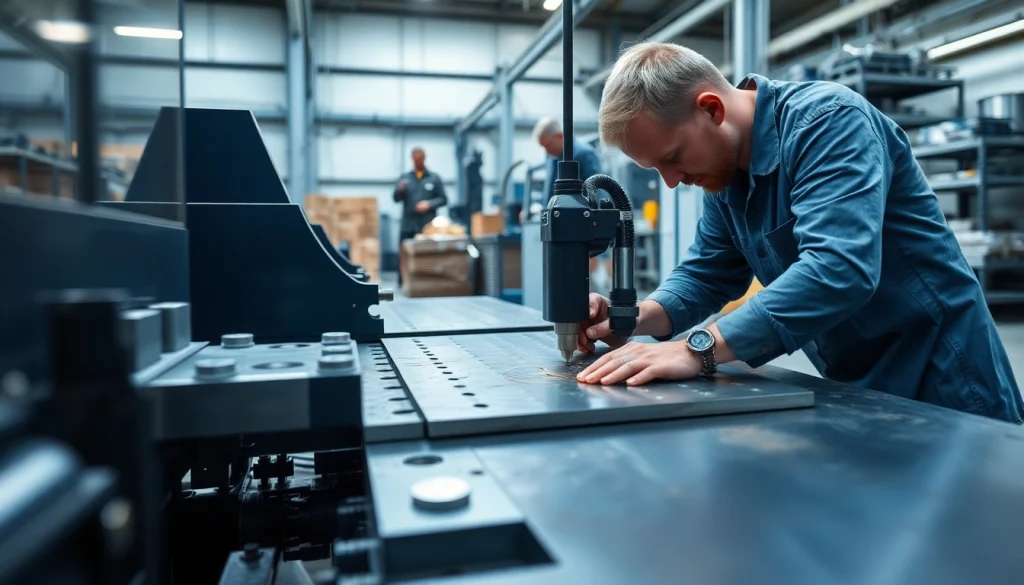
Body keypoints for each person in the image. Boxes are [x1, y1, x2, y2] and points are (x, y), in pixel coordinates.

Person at [576, 42, 1023, 424]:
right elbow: (705, 275)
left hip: (944, 379)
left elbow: (839, 269)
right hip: (857, 387)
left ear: (711, 108)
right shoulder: (726, 174)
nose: (671, 181)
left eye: (672, 158)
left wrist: (697, 349)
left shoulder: (828, 122)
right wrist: (627, 317)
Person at [531, 117, 609, 279]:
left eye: (547, 145)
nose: (546, 151)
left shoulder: (584, 154)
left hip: (581, 230)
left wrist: (592, 236)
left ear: (559, 136)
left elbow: (596, 192)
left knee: (587, 280)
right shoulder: (554, 158)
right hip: (560, 229)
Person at [393, 147, 447, 284]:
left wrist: (429, 204)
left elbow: (443, 199)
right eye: (415, 159)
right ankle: (404, 281)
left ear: (424, 158)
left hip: (426, 225)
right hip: (408, 224)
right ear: (412, 159)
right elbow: (395, 198)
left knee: (427, 254)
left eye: (420, 158)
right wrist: (400, 190)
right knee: (404, 253)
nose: (418, 161)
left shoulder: (434, 178)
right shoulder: (405, 178)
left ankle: (428, 280)